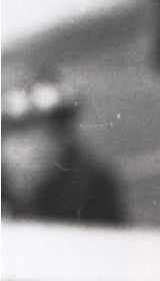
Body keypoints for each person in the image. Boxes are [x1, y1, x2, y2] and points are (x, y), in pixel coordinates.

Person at [1, 79, 127, 224]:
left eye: (52, 133)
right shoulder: (5, 182)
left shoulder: (90, 181)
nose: (30, 149)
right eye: (18, 133)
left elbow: (112, 240)